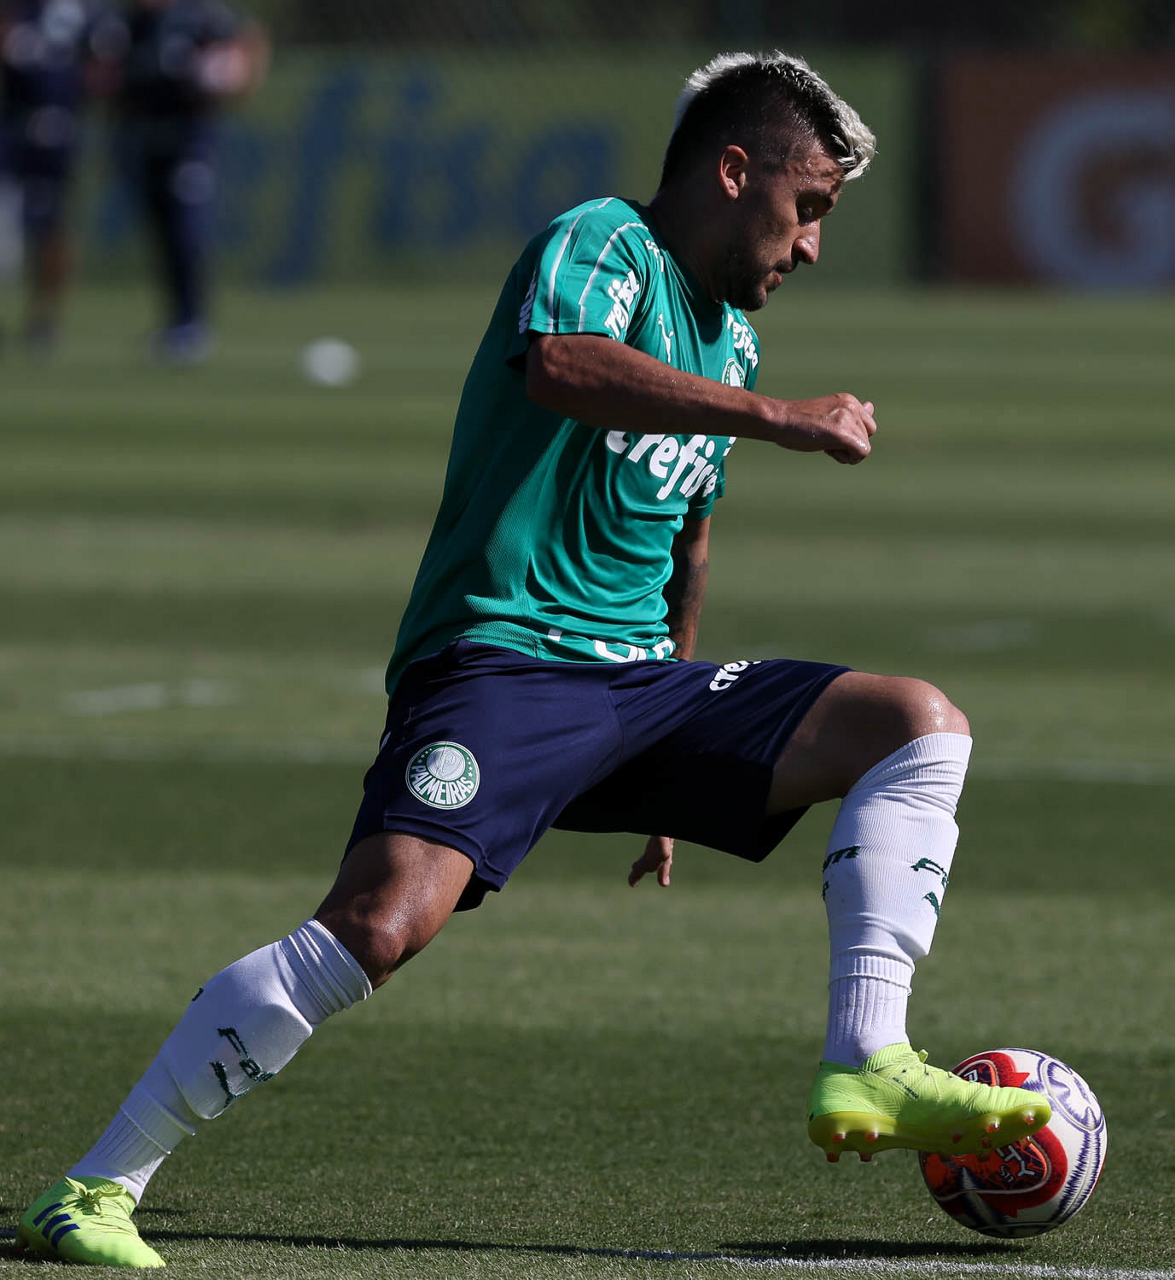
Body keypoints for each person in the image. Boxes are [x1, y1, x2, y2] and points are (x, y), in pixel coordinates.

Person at [15, 50, 1050, 1268]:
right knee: (379, 923)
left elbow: (684, 542)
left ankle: (868, 1056)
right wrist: (780, 420)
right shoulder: (602, 242)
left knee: (915, 721)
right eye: (807, 205)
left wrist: (677, 738)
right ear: (733, 171)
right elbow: (562, 367)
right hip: (503, 661)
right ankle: (92, 1187)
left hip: (641, 690)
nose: (812, 245)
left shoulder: (729, 340)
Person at [110, 0, 266, 362]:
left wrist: (234, 79)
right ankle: (178, 321)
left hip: (190, 140)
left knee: (186, 227)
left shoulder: (201, 17)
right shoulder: (133, 23)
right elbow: (116, 85)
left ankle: (193, 323)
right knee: (161, 232)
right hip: (145, 138)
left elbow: (247, 44)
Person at [0, 0, 121, 351]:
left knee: (53, 226)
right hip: (12, 128)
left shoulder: (89, 13)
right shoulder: (16, 9)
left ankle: (45, 317)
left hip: (61, 131)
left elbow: (107, 71)